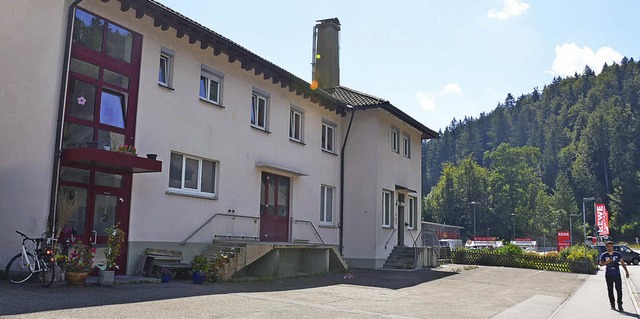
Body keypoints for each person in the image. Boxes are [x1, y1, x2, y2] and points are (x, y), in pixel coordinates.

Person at [599, 241, 629, 311]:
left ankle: (620, 305)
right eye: (608, 246)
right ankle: (612, 304)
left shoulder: (617, 254)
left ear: (613, 247)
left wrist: (626, 271)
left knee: (619, 290)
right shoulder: (604, 255)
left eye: (611, 246)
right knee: (610, 290)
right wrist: (607, 262)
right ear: (606, 247)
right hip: (609, 274)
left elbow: (622, 263)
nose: (610, 248)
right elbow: (600, 264)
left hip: (617, 274)